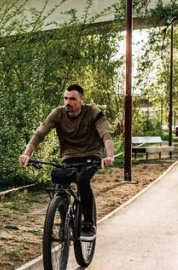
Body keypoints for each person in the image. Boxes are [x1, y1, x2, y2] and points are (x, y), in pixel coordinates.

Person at [19, 84, 115, 239]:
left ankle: (89, 224)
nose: (68, 102)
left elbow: (106, 134)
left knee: (83, 180)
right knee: (59, 182)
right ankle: (65, 223)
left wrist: (109, 156)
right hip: (69, 156)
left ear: (82, 100)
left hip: (92, 154)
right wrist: (26, 154)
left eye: (72, 99)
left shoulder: (93, 112)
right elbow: (40, 133)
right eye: (66, 98)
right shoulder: (58, 113)